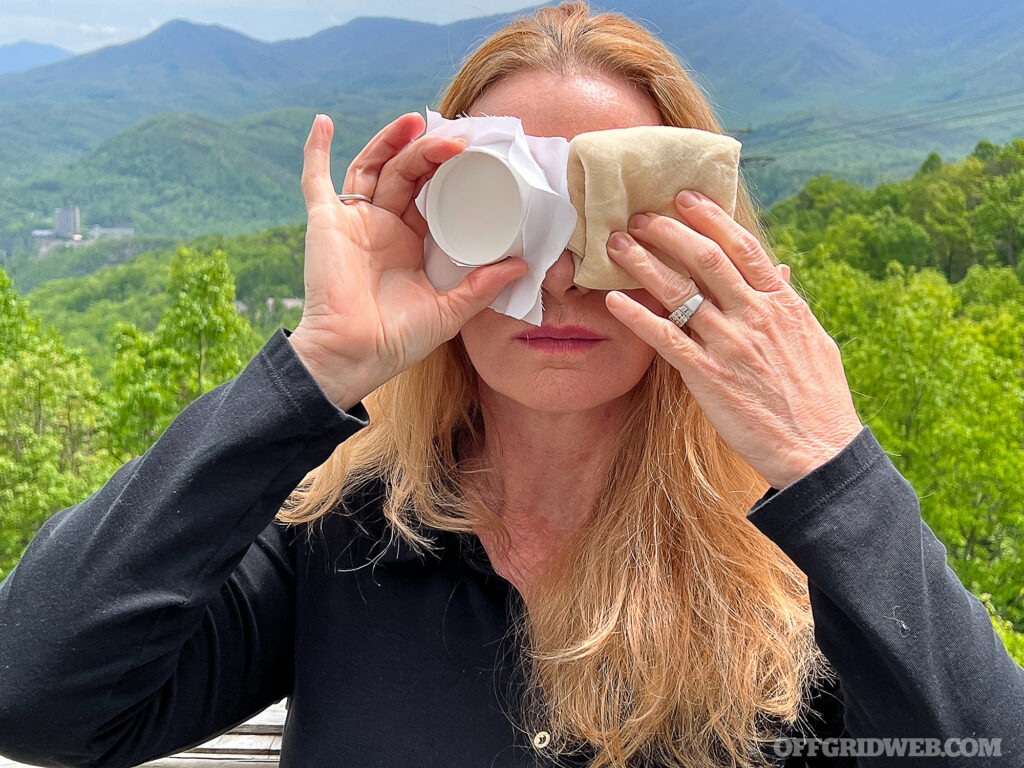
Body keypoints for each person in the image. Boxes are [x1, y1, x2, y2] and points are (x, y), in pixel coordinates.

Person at [1, 3, 1022, 767]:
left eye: (624, 229)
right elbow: (32, 694)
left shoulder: (796, 574)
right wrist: (313, 368)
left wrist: (825, 462)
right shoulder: (338, 535)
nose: (565, 277)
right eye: (511, 216)